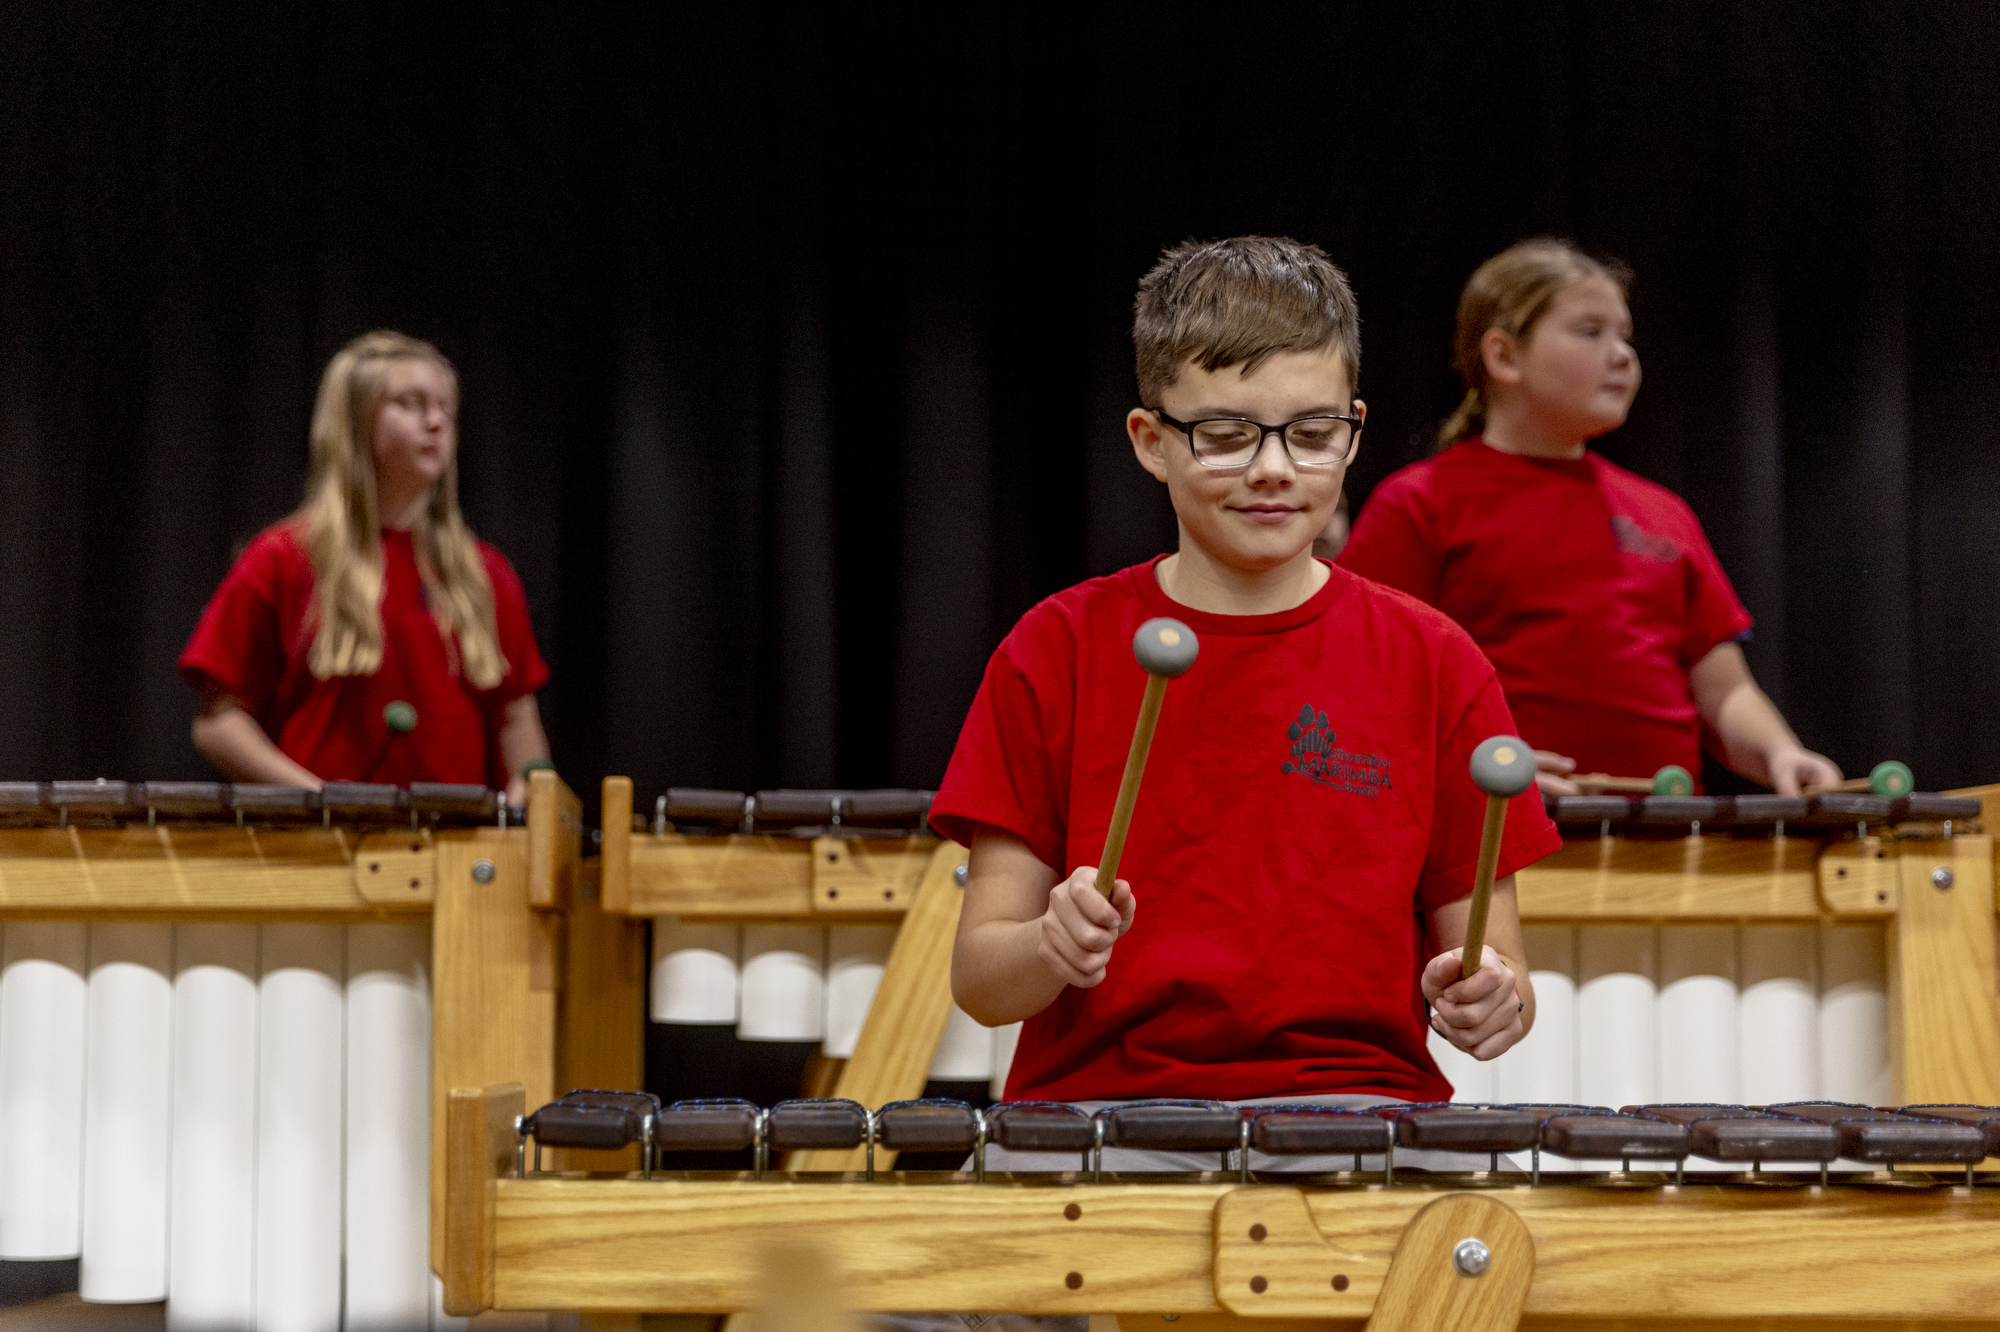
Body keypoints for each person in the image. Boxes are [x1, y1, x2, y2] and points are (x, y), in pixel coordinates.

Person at [928, 237, 1560, 1145]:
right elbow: (983, 984)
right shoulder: (1055, 649)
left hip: (1358, 1119)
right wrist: (1046, 947)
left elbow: (1500, 975)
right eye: (1226, 436)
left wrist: (1491, 1001)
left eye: (1311, 434)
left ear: (1354, 430)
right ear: (1151, 442)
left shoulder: (1436, 663)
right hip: (1096, 1121)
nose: (1273, 468)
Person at [1339, 240, 1839, 797]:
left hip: (1672, 842)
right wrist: (1475, 757)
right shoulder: (1419, 502)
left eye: (1625, 335)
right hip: (1507, 835)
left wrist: (1779, 751)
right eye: (1590, 331)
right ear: (1504, 357)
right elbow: (1366, 683)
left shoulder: (1663, 511)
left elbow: (1723, 692)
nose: (1622, 354)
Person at [180, 330, 550, 806]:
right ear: (355, 424)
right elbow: (218, 723)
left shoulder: (487, 573)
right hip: (321, 853)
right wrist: (321, 801)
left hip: (458, 859)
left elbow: (517, 724)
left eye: (446, 409)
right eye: (411, 404)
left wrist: (524, 796)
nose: (436, 422)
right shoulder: (281, 559)